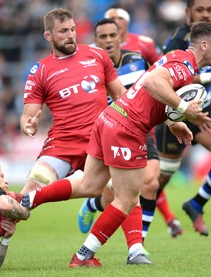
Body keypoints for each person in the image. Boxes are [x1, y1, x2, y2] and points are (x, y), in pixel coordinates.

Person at [19, 21, 211, 267]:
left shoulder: (177, 57)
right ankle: (83, 256)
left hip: (109, 118)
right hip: (128, 128)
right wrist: (183, 108)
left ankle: (28, 200)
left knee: (90, 185)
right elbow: (151, 83)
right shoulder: (185, 66)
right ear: (204, 45)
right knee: (127, 198)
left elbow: (151, 96)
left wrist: (172, 121)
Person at [152, 0, 211, 237]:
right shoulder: (176, 42)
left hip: (202, 108)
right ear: (187, 12)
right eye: (200, 10)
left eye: (209, 10)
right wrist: (209, 81)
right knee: (156, 182)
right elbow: (168, 80)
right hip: (175, 111)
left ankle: (196, 204)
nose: (205, 14)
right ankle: (136, 235)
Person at [76, 18, 158, 262]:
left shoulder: (137, 60)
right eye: (103, 37)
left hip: (137, 129)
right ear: (96, 40)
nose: (110, 40)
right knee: (122, 192)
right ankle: (134, 247)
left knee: (150, 184)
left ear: (121, 36)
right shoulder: (89, 66)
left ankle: (135, 245)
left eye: (114, 35)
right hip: (107, 131)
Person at [19, 8, 124, 194]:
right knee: (33, 188)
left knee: (126, 195)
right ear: (48, 36)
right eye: (63, 31)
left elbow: (120, 96)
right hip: (64, 143)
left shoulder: (97, 55)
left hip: (101, 139)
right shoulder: (40, 70)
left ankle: (93, 211)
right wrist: (29, 126)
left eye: (72, 29)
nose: (71, 35)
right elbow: (27, 116)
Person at [104, 4, 183, 238]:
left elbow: (162, 70)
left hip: (139, 119)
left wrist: (168, 108)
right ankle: (93, 208)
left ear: (126, 24)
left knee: (148, 180)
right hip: (107, 124)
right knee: (107, 187)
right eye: (110, 18)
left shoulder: (143, 46)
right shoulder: (95, 54)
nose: (115, 21)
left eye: (119, 18)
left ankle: (140, 242)